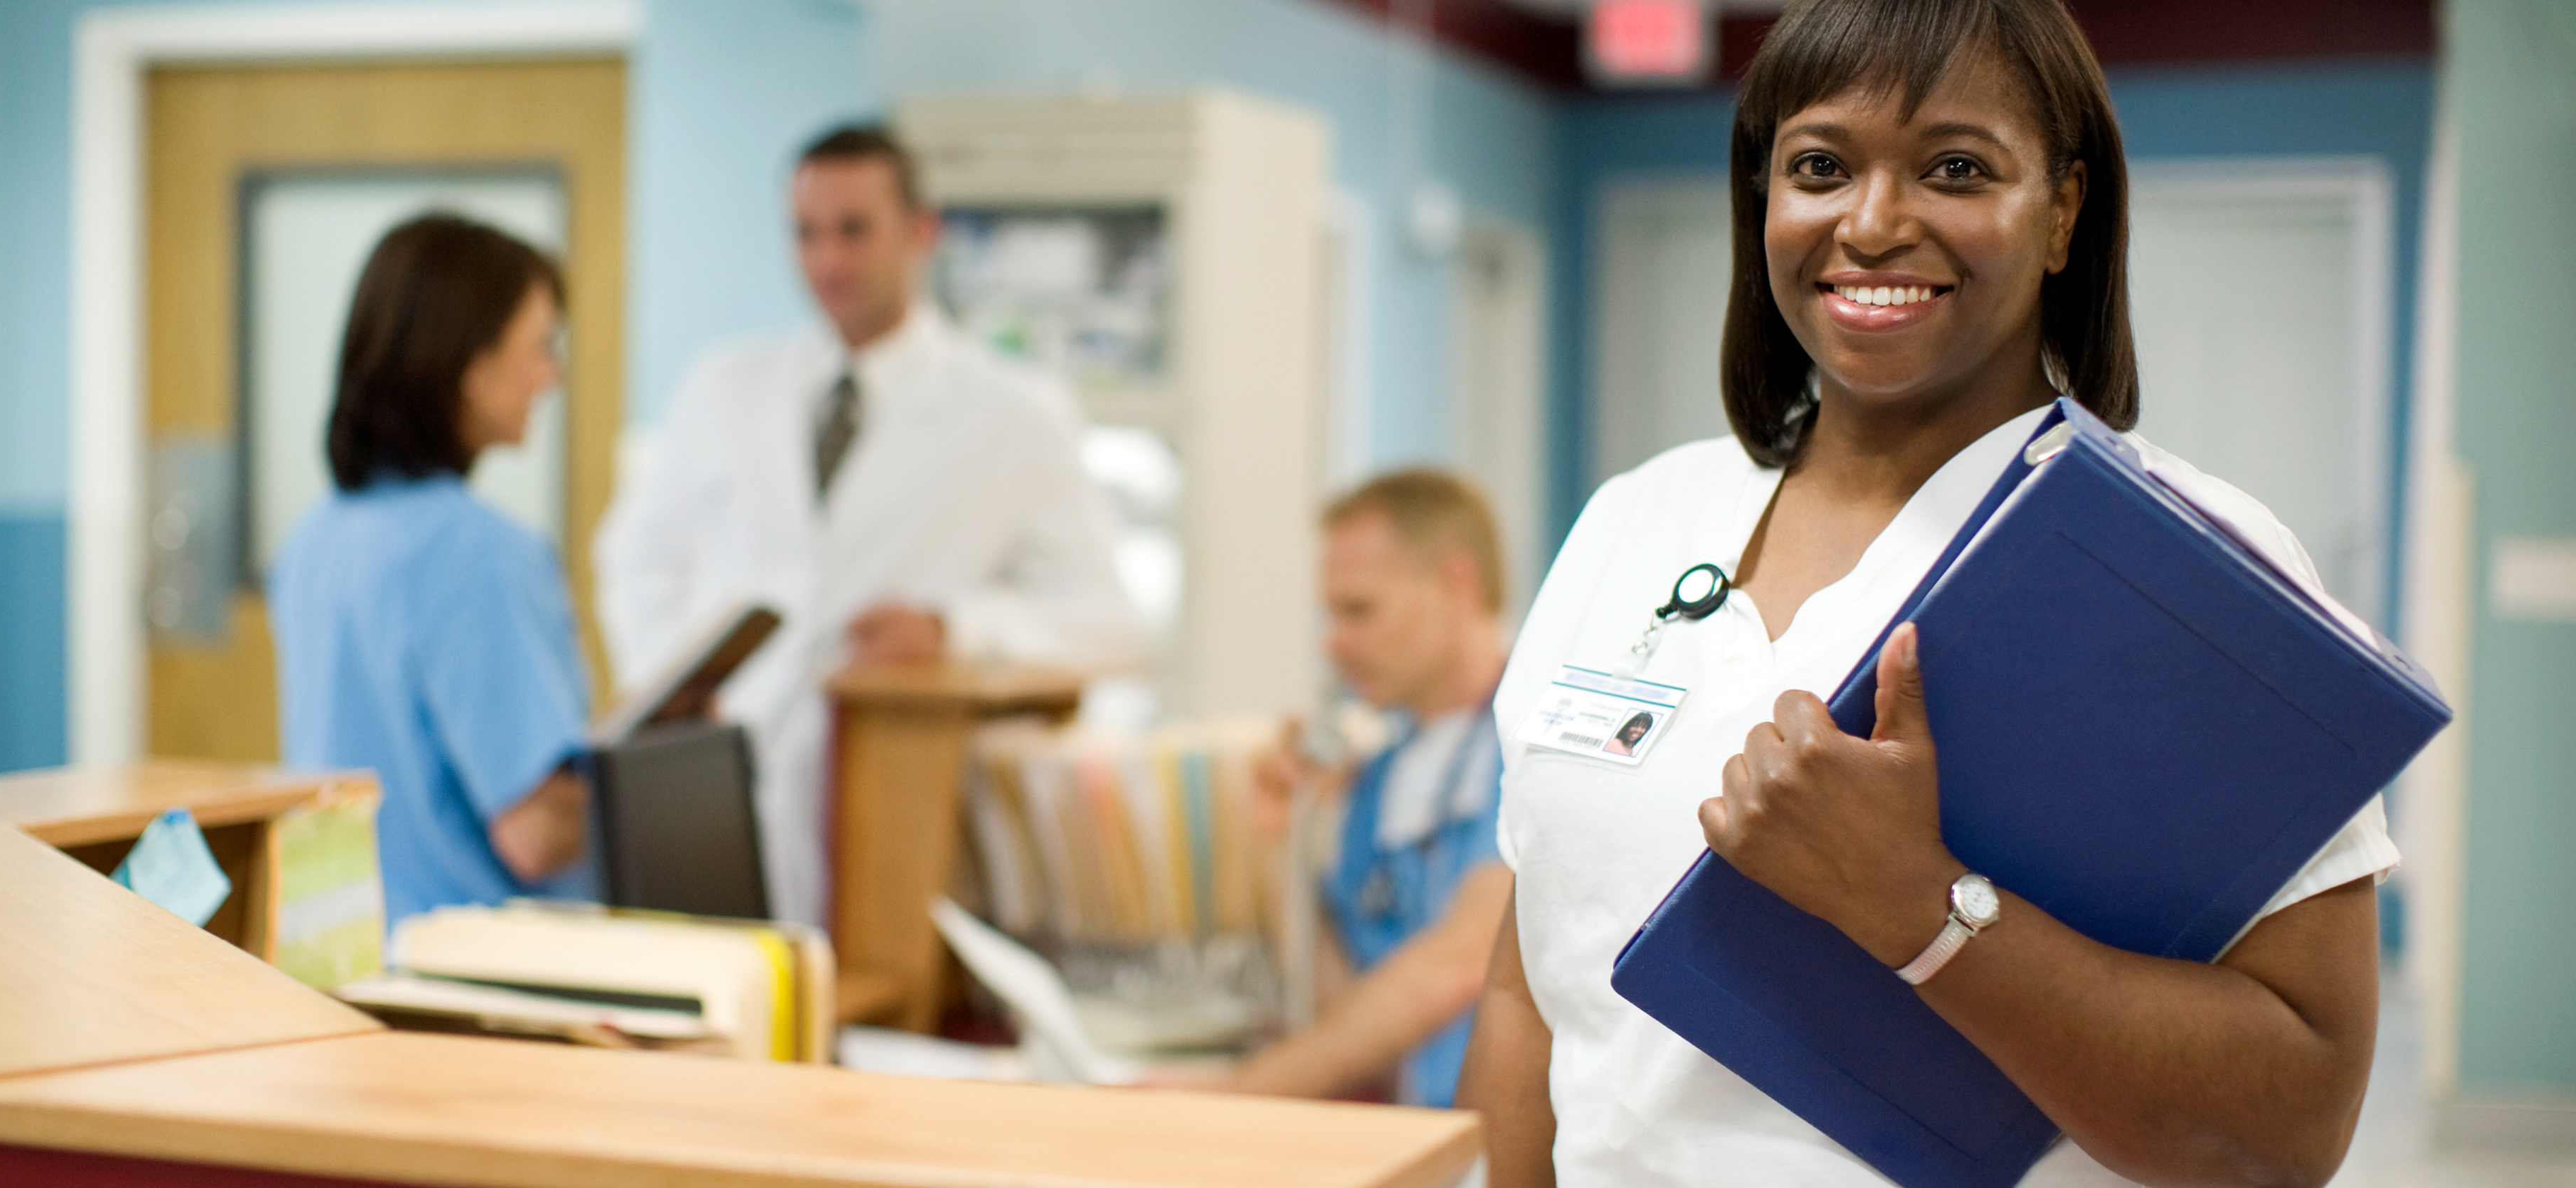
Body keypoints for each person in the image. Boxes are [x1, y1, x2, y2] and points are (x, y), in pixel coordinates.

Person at [1462, 1, 2399, 1185]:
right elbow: (1529, 985)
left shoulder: (2187, 564)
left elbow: (2290, 1131)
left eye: (1956, 167)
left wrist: (1920, 908)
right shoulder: (1635, 520)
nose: (1872, 222)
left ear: (2063, 210)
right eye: (1819, 167)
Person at [593, 124, 1138, 926]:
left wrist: (954, 627)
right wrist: (679, 682)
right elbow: (636, 559)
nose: (828, 262)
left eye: (854, 230)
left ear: (922, 232)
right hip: (709, 785)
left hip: (891, 816)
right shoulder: (723, 387)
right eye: (806, 234)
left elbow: (1107, 623)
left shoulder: (1014, 414)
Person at [272, 214, 594, 928]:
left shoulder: (315, 540)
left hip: (338, 954)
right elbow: (537, 835)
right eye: (542, 347)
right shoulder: (479, 553)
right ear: (470, 368)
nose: (554, 375)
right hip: (468, 977)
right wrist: (657, 768)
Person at [1194, 470, 1515, 1109]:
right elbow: (1345, 1010)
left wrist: (1229, 1099)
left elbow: (1461, 963)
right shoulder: (1381, 774)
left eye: (1358, 610)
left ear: (1457, 584)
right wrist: (1283, 841)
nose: (1331, 643)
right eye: (1329, 615)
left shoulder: (1545, 742)